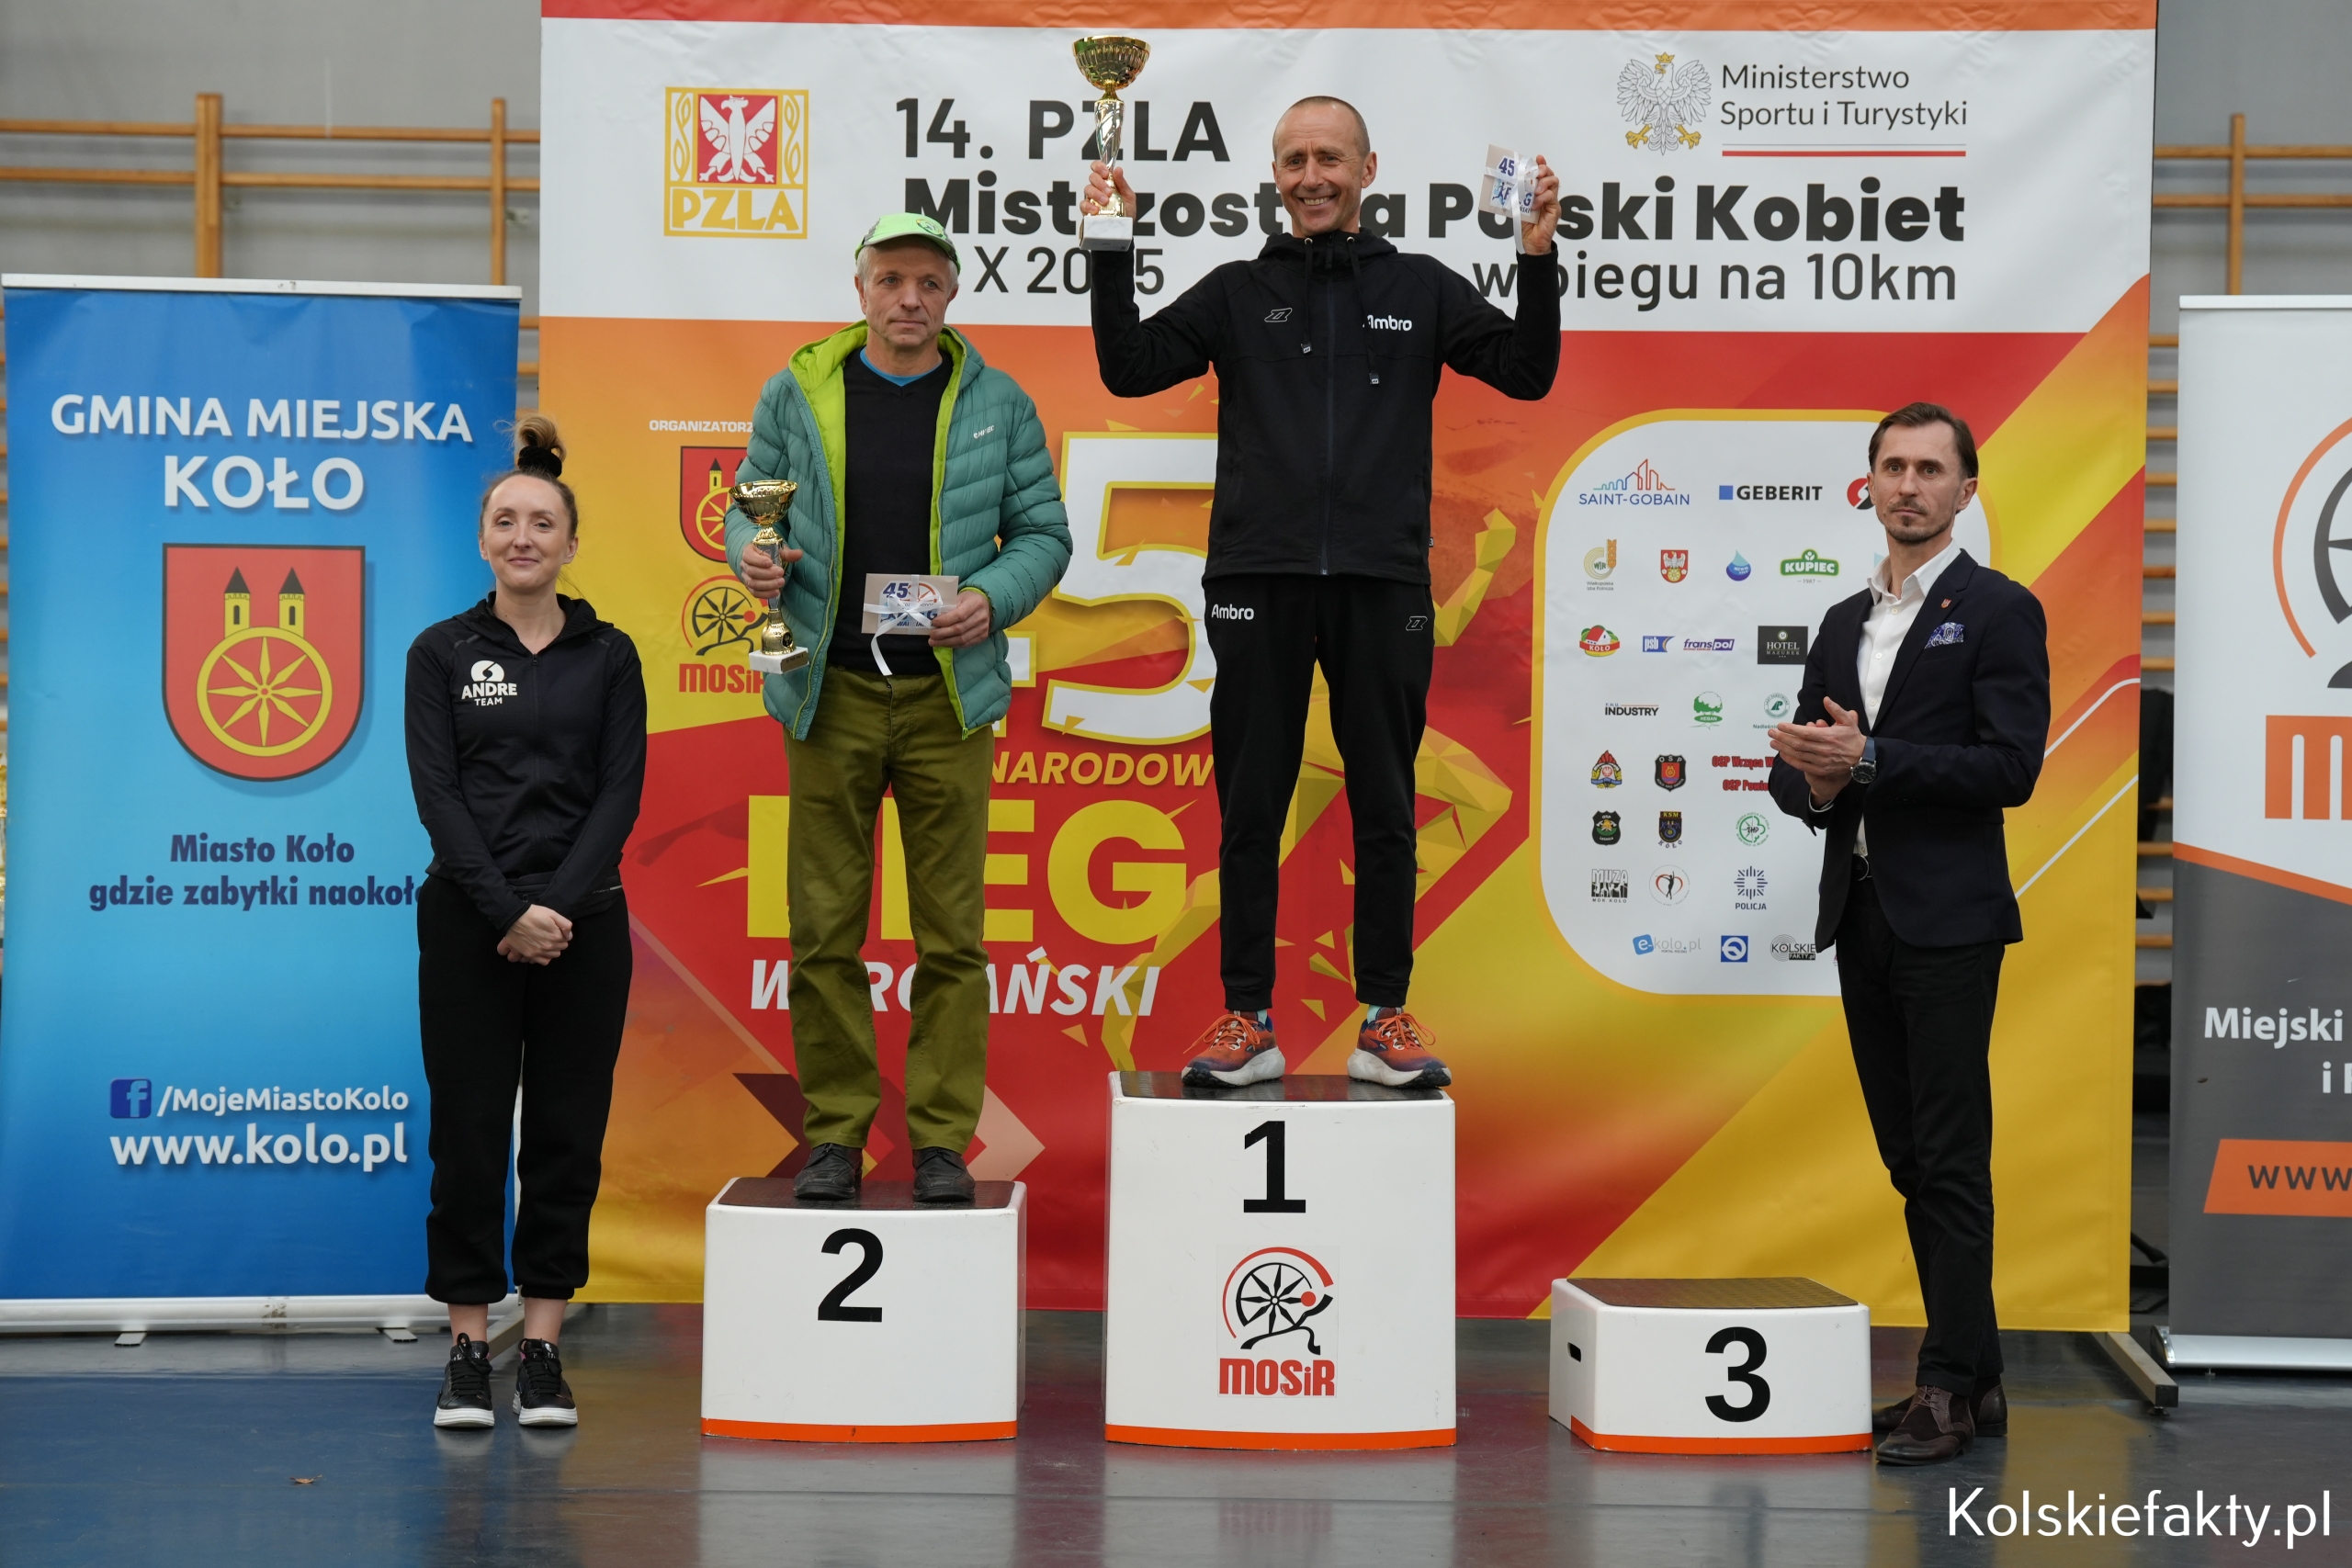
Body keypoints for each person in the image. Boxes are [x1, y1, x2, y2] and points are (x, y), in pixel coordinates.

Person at [1084, 97, 1562, 1089]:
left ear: (1366, 170)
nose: (1312, 177)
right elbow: (1128, 369)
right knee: (1249, 806)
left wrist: (1534, 256)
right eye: (1295, 160)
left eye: (1330, 159)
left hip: (1383, 580)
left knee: (1386, 802)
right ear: (1276, 174)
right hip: (1257, 577)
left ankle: (1384, 1017)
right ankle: (1246, 1018)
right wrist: (1110, 241)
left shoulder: (1420, 287)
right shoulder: (1235, 291)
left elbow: (1527, 372)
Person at [729, 212, 1072, 1207]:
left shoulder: (999, 402)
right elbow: (751, 510)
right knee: (822, 934)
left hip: (946, 700)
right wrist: (753, 556)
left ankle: (940, 1143)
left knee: (952, 940)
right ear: (861, 288)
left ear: (953, 292)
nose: (909, 299)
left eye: (928, 281)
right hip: (825, 694)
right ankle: (835, 1135)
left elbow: (1043, 536)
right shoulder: (797, 391)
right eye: (890, 280)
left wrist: (992, 597)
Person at [1764, 402, 2050, 1466]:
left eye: (1931, 469)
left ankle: (1944, 1385)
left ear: (1966, 490)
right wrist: (1814, 776)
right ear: (1869, 484)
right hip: (1860, 914)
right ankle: (1978, 1377)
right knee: (1908, 1159)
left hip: (1949, 921)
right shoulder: (1842, 619)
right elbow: (1799, 777)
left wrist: (1871, 760)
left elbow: (2009, 769)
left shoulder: (1999, 610)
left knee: (1948, 1159)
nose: (1909, 485)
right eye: (1893, 466)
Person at [404, 414, 647, 1430]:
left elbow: (620, 795)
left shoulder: (611, 654)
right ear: (482, 540)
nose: (523, 537)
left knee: (564, 1138)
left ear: (571, 542)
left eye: (542, 522)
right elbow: (439, 796)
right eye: (505, 521)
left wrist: (554, 910)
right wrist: (508, 912)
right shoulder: (440, 652)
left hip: (585, 930)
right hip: (470, 927)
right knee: (466, 1139)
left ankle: (541, 1346)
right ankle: (468, 1348)